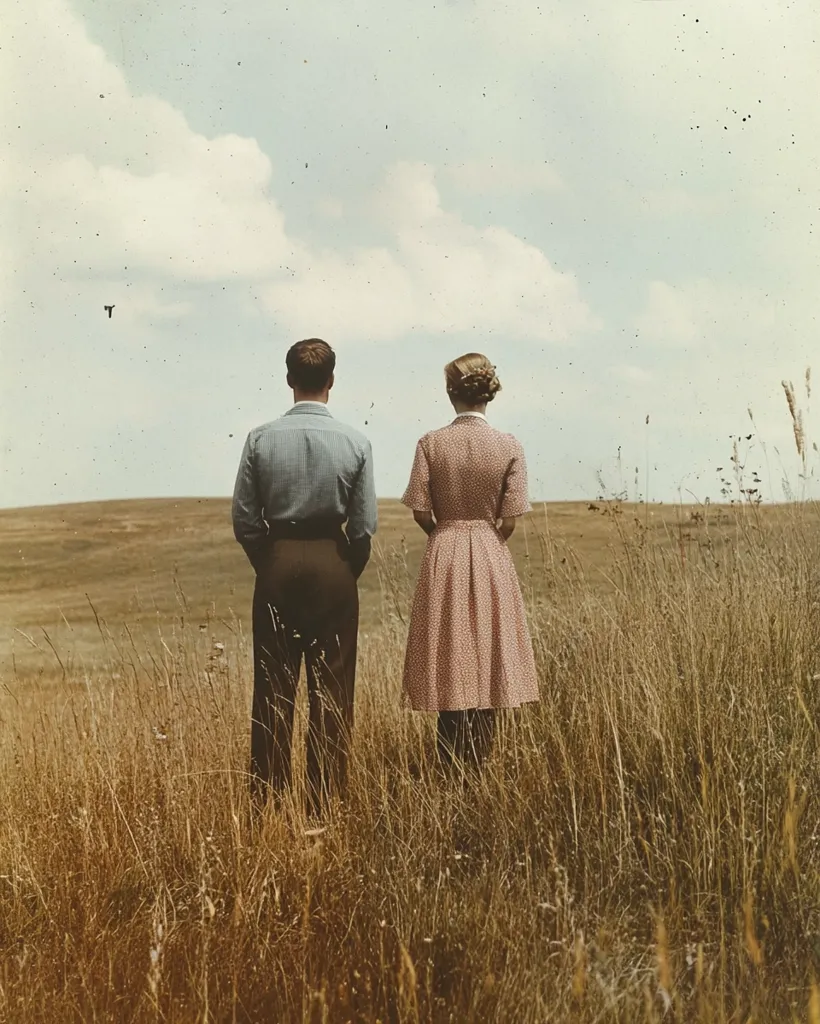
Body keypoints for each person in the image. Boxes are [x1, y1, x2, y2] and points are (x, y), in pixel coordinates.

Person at [231, 339, 377, 817]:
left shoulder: (259, 439)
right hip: (333, 563)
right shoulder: (356, 443)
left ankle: (269, 807)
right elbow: (363, 527)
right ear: (331, 381)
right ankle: (323, 807)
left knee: (273, 687)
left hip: (276, 561)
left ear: (289, 379)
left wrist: (269, 559)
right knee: (332, 689)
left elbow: (245, 520)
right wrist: (345, 567)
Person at [401, 352, 539, 771]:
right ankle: (480, 764)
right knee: (489, 651)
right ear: (488, 393)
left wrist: (444, 533)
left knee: (448, 652)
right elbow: (509, 519)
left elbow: (420, 512)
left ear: (450, 392)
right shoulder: (509, 445)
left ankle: (449, 766)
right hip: (490, 550)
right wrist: (485, 537)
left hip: (445, 549)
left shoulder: (430, 443)